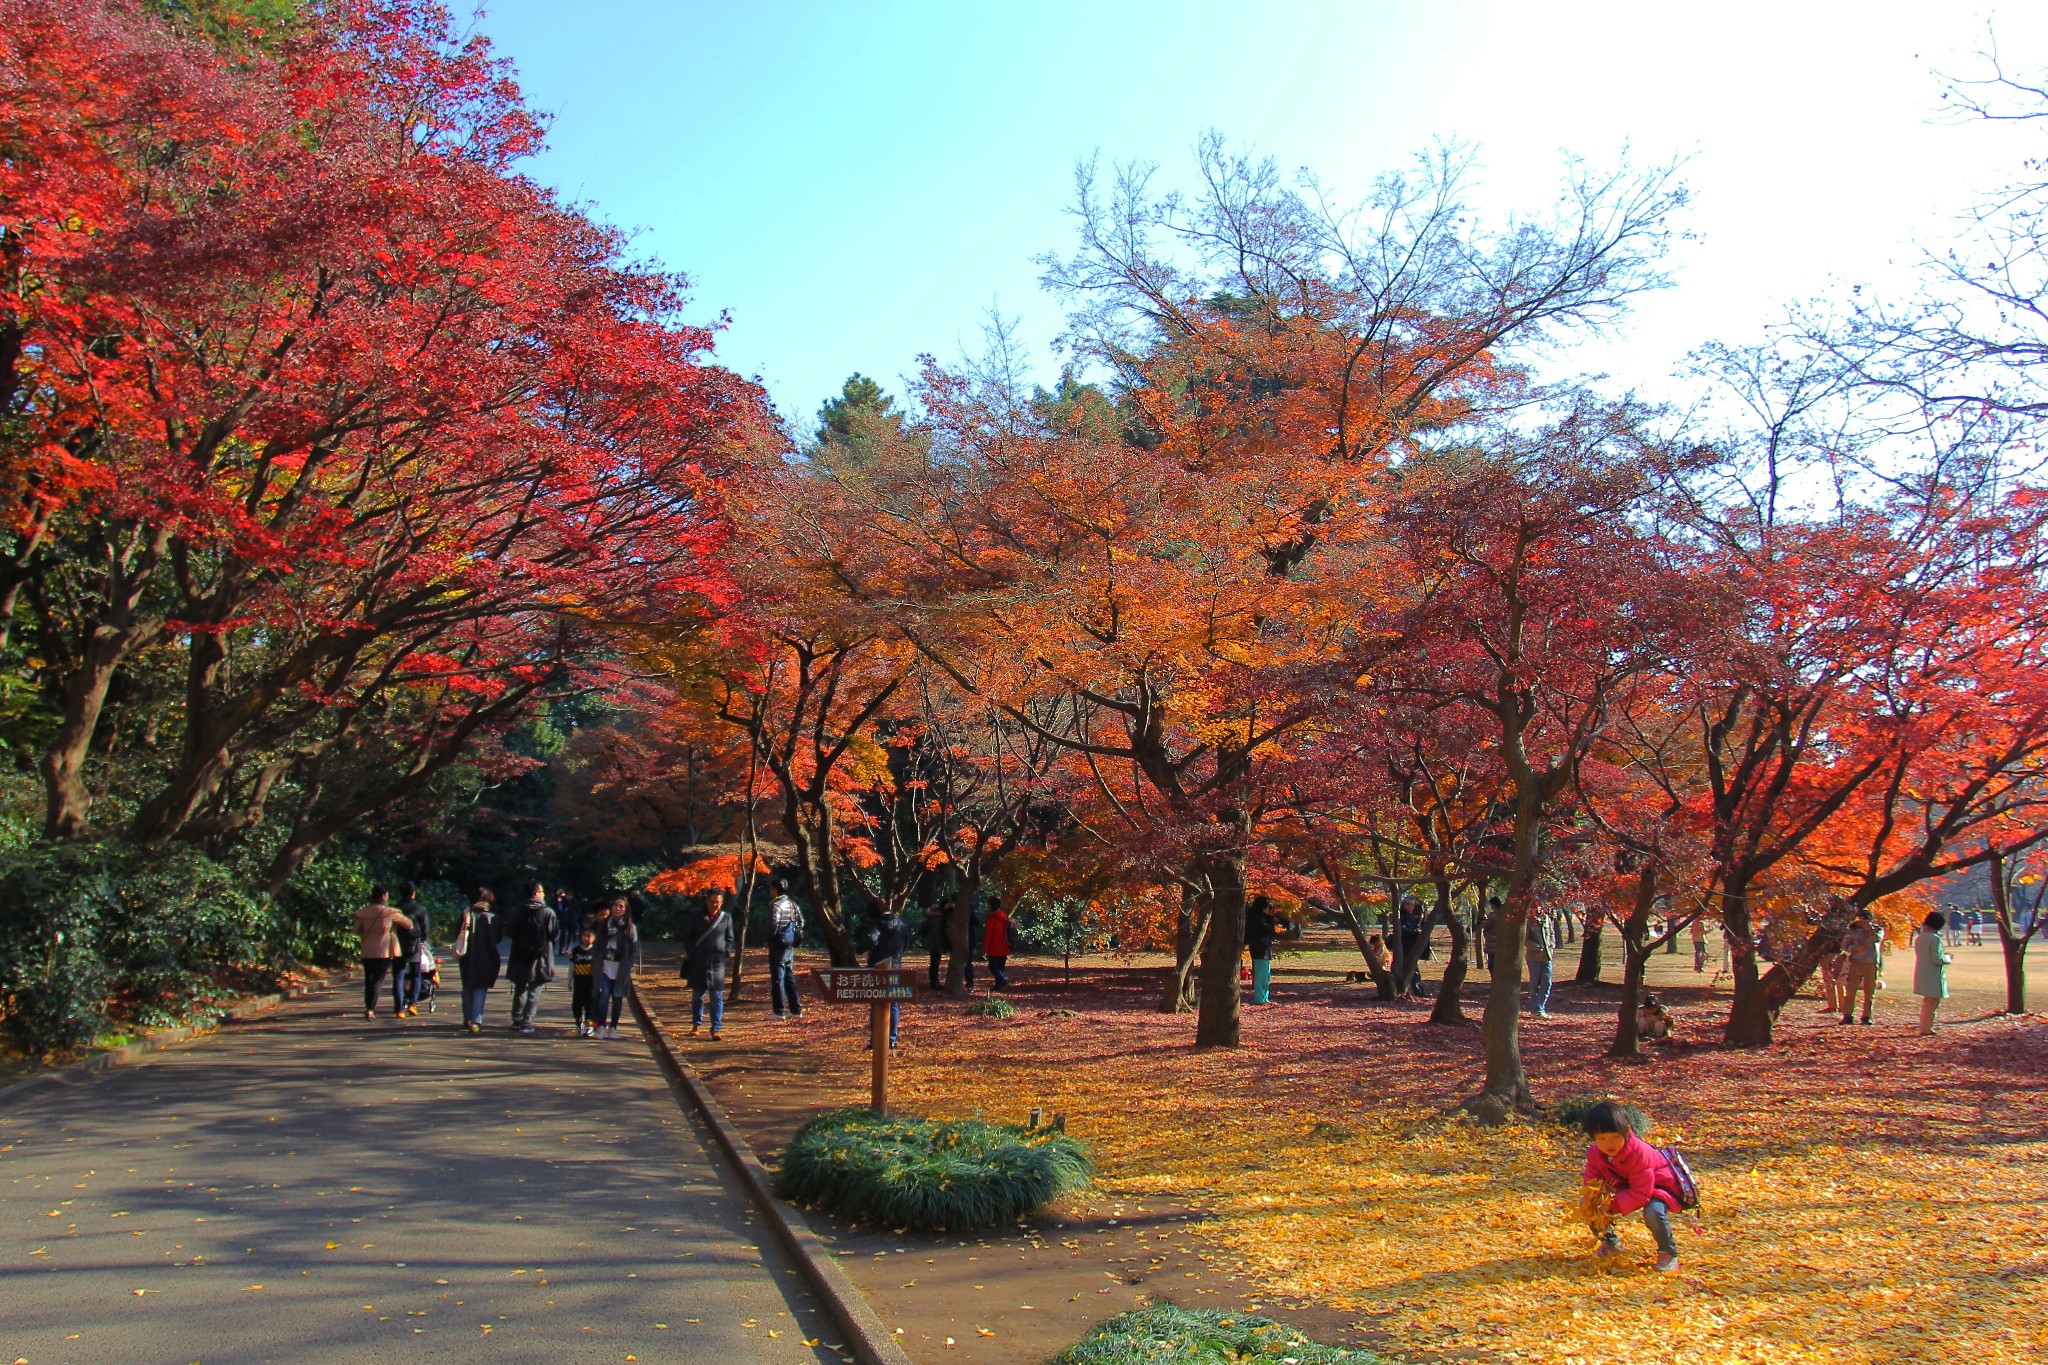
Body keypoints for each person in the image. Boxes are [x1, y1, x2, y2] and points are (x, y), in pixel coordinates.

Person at [1580, 1099, 1685, 1272]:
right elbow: (1591, 1180)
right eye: (1602, 1138)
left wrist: (1613, 1204)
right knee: (1588, 1205)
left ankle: (1668, 1252)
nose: (1609, 1144)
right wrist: (1597, 1196)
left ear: (1626, 1132)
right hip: (1627, 1187)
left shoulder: (1638, 1151)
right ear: (1594, 1138)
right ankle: (1611, 1243)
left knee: (1653, 1212)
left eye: (1615, 1137)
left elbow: (1641, 1192)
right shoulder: (1595, 1153)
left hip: (1657, 1187)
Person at [353, 887, 414, 1021]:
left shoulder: (362, 912)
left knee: (369, 980)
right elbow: (409, 925)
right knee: (377, 981)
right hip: (384, 951)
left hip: (367, 950)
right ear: (384, 896)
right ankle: (370, 1009)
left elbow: (355, 930)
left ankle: (369, 1007)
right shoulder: (390, 912)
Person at [504, 882, 557, 1035]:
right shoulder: (547, 912)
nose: (544, 894)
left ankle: (517, 1019)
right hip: (540, 956)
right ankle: (527, 1021)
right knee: (534, 990)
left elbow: (510, 931)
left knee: (520, 989)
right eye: (542, 891)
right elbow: (554, 934)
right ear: (536, 893)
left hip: (519, 955)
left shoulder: (517, 911)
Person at [683, 889, 736, 1038]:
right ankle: (696, 1025)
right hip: (698, 962)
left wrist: (726, 951)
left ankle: (716, 1028)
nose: (715, 905)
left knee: (717, 997)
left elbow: (730, 938)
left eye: (718, 902)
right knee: (697, 996)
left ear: (722, 902)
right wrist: (692, 953)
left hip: (717, 963)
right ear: (706, 900)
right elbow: (687, 937)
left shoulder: (726, 918)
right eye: (712, 901)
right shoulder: (696, 916)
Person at [592, 893, 640, 1040]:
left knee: (617, 997)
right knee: (604, 995)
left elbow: (634, 949)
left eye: (621, 906)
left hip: (620, 968)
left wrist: (629, 964)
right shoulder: (605, 924)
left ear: (626, 909)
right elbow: (597, 945)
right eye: (615, 905)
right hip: (605, 966)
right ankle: (600, 1026)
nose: (617, 908)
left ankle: (613, 1027)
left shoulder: (630, 927)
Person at [454, 888, 502, 1034]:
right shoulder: (492, 917)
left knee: (467, 987)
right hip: (486, 956)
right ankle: (475, 1021)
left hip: (466, 956)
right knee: (480, 988)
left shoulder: (465, 914)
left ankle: (467, 1018)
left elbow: (457, 933)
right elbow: (498, 938)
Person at [864, 903, 911, 1047]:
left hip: (877, 965)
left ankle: (876, 1039)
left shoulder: (877, 924)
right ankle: (891, 1040)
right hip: (894, 965)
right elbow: (907, 943)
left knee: (876, 1000)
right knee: (894, 1002)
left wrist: (865, 950)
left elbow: (871, 938)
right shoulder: (901, 925)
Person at [767, 877, 805, 1020]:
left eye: (771, 888)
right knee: (789, 974)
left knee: (778, 977)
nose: (770, 891)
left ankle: (779, 1011)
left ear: (776, 889)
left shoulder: (776, 905)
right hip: (790, 943)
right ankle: (795, 1009)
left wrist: (767, 939)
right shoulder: (792, 904)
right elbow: (800, 921)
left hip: (778, 944)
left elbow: (773, 925)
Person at [1839, 907, 1883, 1026]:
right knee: (1851, 990)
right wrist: (1855, 948)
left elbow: (1877, 939)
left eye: (1866, 919)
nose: (1863, 921)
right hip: (1856, 962)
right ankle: (1847, 1015)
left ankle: (1866, 1016)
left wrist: (1868, 928)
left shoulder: (1877, 929)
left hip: (1871, 963)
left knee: (1869, 992)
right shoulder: (1852, 930)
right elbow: (1844, 946)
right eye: (1862, 919)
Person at [1913, 910, 1953, 1036]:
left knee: (1927, 1002)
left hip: (1922, 972)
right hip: (1933, 974)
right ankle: (1926, 1028)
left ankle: (1925, 1026)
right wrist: (1948, 958)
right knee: (1932, 1003)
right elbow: (1937, 958)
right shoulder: (1934, 939)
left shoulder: (1919, 938)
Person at [394, 882, 431, 1018]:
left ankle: (399, 1008)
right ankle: (413, 1004)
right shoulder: (420, 909)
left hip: (397, 946)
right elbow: (425, 930)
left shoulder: (395, 909)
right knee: (416, 975)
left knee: (398, 976)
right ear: (413, 893)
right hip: (414, 946)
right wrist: (421, 940)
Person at [1526, 906, 1557, 1020]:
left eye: (1540, 907)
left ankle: (1539, 1008)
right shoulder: (1528, 921)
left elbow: (1552, 933)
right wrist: (1537, 947)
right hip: (1534, 957)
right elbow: (1525, 939)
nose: (1538, 909)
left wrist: (1552, 946)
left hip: (1547, 956)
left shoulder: (1547, 919)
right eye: (1535, 906)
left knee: (1547, 983)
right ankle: (1537, 1010)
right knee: (1535, 984)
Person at [1244, 895, 1276, 1005]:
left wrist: (1268, 916)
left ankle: (1264, 997)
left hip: (1260, 948)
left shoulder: (1255, 916)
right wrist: (1271, 917)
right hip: (1260, 948)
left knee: (1264, 975)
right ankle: (1260, 998)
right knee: (1262, 975)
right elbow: (1268, 929)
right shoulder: (1257, 918)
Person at [568, 926, 599, 1036]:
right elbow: (572, 966)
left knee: (590, 1006)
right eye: (584, 936)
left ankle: (590, 1025)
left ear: (594, 938)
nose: (586, 938)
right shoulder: (576, 950)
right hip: (578, 982)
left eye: (589, 936)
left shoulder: (595, 951)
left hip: (590, 983)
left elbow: (599, 969)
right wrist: (569, 980)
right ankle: (578, 1023)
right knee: (576, 1005)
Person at [984, 895, 1014, 991]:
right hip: (1004, 946)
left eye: (988, 905)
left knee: (992, 966)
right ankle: (999, 986)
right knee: (1000, 967)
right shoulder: (1005, 916)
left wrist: (985, 949)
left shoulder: (991, 918)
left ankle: (1004, 981)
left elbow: (988, 935)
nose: (987, 906)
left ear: (991, 905)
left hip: (994, 947)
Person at [1397, 893, 1425, 994]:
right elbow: (1405, 930)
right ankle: (1418, 990)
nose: (1412, 907)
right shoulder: (1402, 917)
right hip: (1405, 945)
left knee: (1412, 967)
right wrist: (1416, 931)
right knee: (1412, 967)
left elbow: (1420, 925)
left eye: (1413, 905)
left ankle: (1417, 989)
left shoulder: (1412, 916)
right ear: (1405, 905)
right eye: (1410, 905)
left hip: (1411, 944)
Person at [923, 899, 950, 992]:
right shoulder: (937, 917)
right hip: (934, 944)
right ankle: (934, 982)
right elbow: (937, 934)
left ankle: (934, 981)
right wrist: (940, 947)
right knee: (934, 963)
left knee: (935, 963)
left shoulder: (936, 915)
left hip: (933, 943)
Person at [555, 888, 582, 959]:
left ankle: (567, 948)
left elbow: (578, 911)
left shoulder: (575, 902)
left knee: (570, 935)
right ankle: (561, 948)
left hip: (571, 920)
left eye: (571, 895)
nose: (569, 896)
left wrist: (576, 918)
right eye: (568, 895)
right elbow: (559, 906)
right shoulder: (563, 900)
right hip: (564, 920)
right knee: (563, 934)